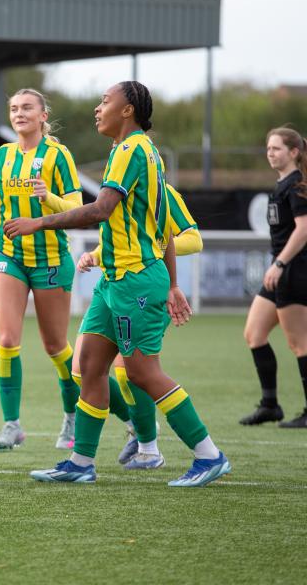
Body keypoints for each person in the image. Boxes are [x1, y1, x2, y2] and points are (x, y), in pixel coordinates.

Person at [5, 80, 230, 487]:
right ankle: (80, 462)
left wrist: (39, 221)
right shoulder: (134, 151)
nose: (98, 108)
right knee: (88, 366)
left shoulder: (131, 150)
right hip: (115, 281)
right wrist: (175, 283)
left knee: (143, 372)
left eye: (105, 101)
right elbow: (160, 228)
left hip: (136, 281)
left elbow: (101, 210)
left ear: (128, 110)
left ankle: (208, 454)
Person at [0, 88, 83, 450]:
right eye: (13, 108)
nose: (19, 113)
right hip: (8, 256)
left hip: (51, 259)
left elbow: (76, 208)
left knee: (56, 346)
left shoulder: (58, 155)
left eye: (27, 108)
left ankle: (72, 417)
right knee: (7, 340)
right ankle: (12, 425)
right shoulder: (3, 155)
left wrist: (47, 198)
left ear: (43, 115)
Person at [72, 182, 205, 469]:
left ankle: (150, 447)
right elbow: (119, 237)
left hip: (139, 283)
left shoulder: (160, 188)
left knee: (131, 371)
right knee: (81, 370)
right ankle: (131, 431)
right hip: (111, 284)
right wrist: (94, 255)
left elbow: (193, 239)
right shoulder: (116, 188)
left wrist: (151, 247)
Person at [239, 126, 307, 428]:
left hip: (293, 270)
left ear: (294, 152)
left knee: (299, 343)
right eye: (268, 148)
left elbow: (304, 229)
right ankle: (270, 405)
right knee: (254, 334)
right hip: (280, 270)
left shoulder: (297, 186)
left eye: (277, 148)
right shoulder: (282, 185)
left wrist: (279, 264)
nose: (271, 153)